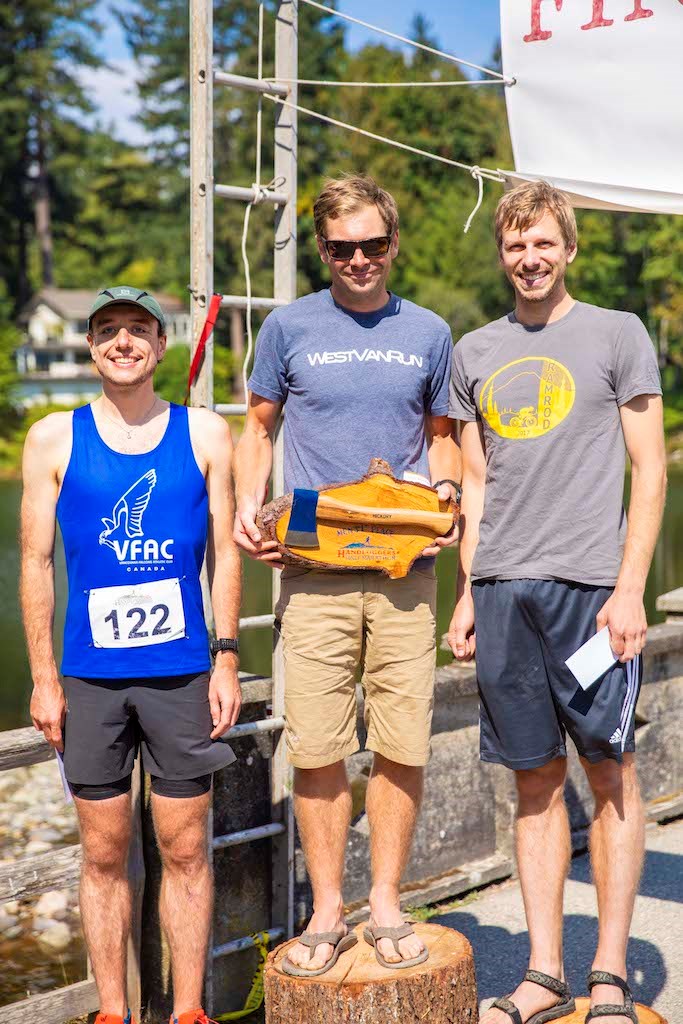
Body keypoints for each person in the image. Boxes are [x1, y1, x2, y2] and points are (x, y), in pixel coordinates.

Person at [447, 181, 666, 1024]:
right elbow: (472, 480)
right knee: (533, 783)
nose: (528, 258)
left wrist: (627, 586)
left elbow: (648, 468)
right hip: (503, 587)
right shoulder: (473, 352)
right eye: (514, 246)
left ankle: (608, 972)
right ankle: (543, 974)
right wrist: (466, 591)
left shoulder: (616, 333)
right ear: (500, 253)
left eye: (542, 243)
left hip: (589, 591)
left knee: (608, 774)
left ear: (567, 247)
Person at [233, 174, 460, 974]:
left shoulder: (430, 331)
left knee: (402, 745)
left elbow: (442, 438)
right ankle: (329, 911)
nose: (358, 259)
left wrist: (448, 498)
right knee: (319, 746)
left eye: (371, 244)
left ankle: (389, 901)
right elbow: (257, 430)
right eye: (341, 247)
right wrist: (245, 508)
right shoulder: (289, 326)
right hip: (308, 565)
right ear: (322, 250)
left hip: (404, 566)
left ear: (392, 243)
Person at [21, 286, 242, 1024]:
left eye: (138, 330)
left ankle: (186, 1012)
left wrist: (228, 658)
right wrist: (44, 679)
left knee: (185, 849)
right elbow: (34, 563)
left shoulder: (206, 433)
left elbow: (227, 555)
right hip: (90, 681)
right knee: (104, 853)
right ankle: (113, 1011)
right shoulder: (53, 438)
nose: (124, 341)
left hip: (181, 675)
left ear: (160, 343)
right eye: (108, 330)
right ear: (90, 346)